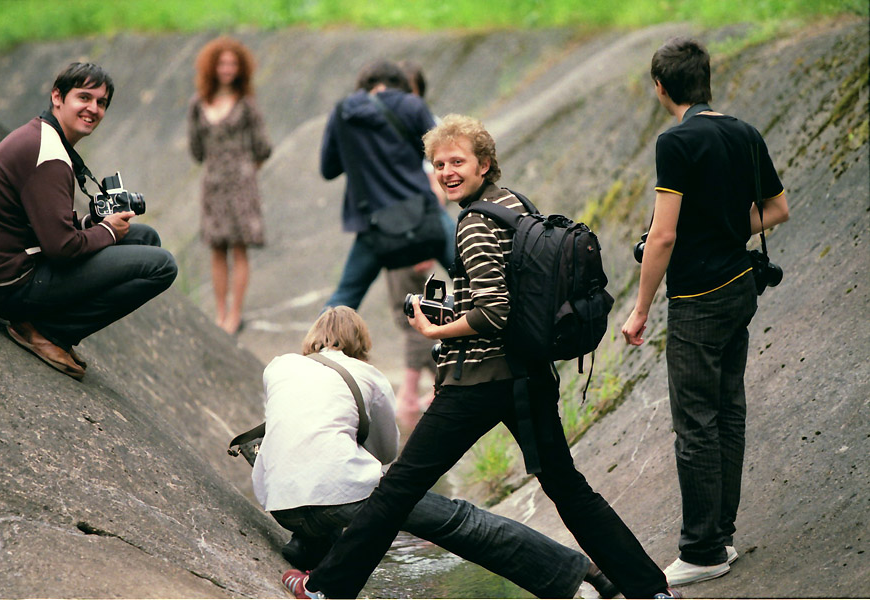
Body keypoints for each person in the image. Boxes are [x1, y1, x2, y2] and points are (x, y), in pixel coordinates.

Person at [283, 115, 679, 600]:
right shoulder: (515, 203)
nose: (447, 171)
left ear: (483, 164)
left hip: (479, 381)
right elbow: (510, 293)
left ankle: (325, 589)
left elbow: (494, 311)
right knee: (568, 486)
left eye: (457, 162)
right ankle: (651, 590)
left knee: (398, 489)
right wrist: (459, 305)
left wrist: (434, 327)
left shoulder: (473, 223)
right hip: (530, 374)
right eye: (438, 164)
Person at [256, 305, 601, 598]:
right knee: (461, 521)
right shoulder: (370, 376)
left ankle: (306, 550)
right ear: (360, 342)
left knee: (328, 479)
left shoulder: (278, 367)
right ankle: (582, 570)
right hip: (341, 497)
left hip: (280, 503)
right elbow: (386, 453)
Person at [621, 37, 789, 587]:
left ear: (661, 88)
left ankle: (701, 550)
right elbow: (777, 210)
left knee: (695, 423)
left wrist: (639, 309)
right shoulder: (745, 132)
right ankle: (722, 535)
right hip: (741, 285)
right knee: (727, 411)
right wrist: (721, 230)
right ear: (707, 79)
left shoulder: (676, 142)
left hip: (696, 298)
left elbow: (663, 235)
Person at [0, 62, 177, 380]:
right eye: (84, 97)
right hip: (11, 285)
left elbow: (46, 224)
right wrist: (107, 230)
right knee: (162, 265)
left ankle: (45, 325)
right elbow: (61, 248)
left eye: (101, 102)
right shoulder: (49, 153)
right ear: (58, 97)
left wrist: (90, 223)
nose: (93, 109)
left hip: (11, 269)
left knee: (144, 238)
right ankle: (48, 332)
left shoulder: (44, 136)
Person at [320, 59, 454, 312]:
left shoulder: (341, 113)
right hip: (425, 216)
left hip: (375, 227)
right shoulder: (412, 105)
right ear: (400, 85)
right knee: (477, 276)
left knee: (343, 299)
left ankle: (316, 346)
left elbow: (328, 170)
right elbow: (442, 154)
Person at [188, 36, 273, 335]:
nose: (227, 68)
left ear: (241, 68)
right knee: (216, 248)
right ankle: (220, 312)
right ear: (212, 67)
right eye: (222, 63)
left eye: (232, 63)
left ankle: (235, 313)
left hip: (240, 183)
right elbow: (195, 149)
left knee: (239, 248)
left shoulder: (247, 104)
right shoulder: (197, 104)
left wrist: (245, 169)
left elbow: (263, 146)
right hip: (212, 184)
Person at [383, 59, 444, 431]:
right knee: (400, 310)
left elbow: (437, 187)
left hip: (415, 233)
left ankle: (412, 393)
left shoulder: (427, 130)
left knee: (416, 313)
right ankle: (441, 384)